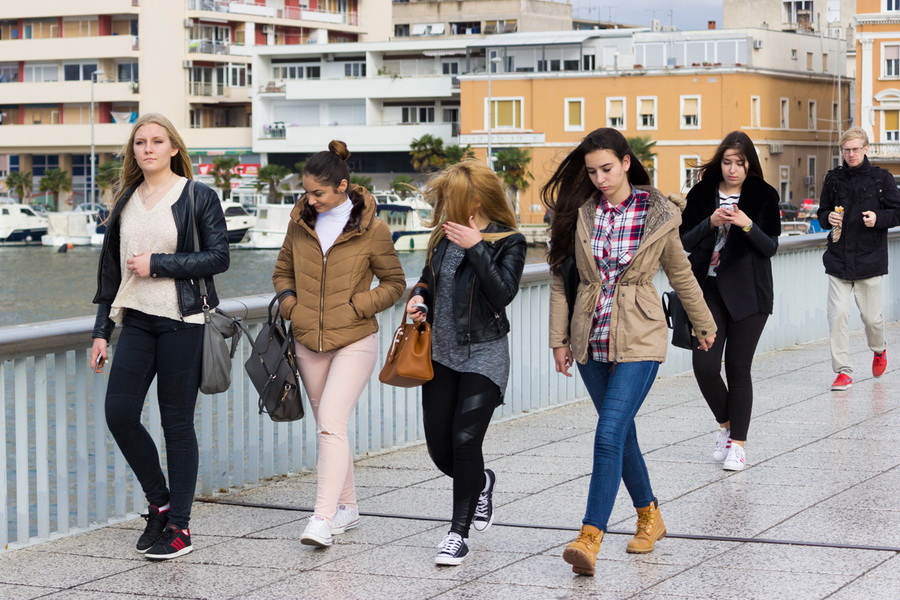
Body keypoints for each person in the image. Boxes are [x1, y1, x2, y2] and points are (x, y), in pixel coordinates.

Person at [543, 128, 716, 577]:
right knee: (622, 435)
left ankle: (589, 537)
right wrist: (559, 340)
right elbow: (564, 282)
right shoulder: (579, 213)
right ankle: (649, 516)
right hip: (590, 337)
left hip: (640, 335)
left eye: (607, 168)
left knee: (607, 434)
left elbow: (681, 274)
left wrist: (703, 322)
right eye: (592, 171)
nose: (599, 178)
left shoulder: (656, 213)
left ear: (625, 162)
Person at [90, 113, 229, 560]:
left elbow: (218, 257)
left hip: (181, 321)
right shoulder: (125, 199)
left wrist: (160, 264)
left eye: (156, 141)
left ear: (173, 148)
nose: (147, 148)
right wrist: (101, 333)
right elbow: (111, 272)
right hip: (136, 320)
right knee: (120, 413)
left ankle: (181, 528)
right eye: (139, 142)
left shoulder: (197, 195)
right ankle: (161, 502)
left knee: (176, 424)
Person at [272, 140, 405, 548]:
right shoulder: (299, 225)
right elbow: (281, 273)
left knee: (331, 422)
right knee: (330, 428)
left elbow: (395, 283)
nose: (310, 200)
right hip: (308, 338)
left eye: (318, 193)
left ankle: (321, 519)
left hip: (354, 338)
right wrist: (293, 307)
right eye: (307, 192)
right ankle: (348, 506)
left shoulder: (373, 230)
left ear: (343, 186)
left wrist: (359, 305)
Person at [406, 160, 526, 566]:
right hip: (440, 355)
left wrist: (477, 246)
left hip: (485, 353)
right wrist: (420, 297)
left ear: (476, 199)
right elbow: (429, 277)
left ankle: (457, 534)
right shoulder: (443, 237)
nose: (445, 206)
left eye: (452, 198)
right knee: (441, 449)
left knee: (464, 441)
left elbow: (503, 293)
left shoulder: (510, 241)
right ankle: (482, 482)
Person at [680, 131, 781, 472]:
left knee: (739, 368)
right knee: (704, 366)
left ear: (749, 163)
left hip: (750, 292)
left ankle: (738, 445)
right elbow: (684, 241)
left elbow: (770, 247)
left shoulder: (764, 195)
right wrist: (710, 221)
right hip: (706, 292)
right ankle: (726, 427)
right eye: (727, 162)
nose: (733, 169)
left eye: (739, 163)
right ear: (719, 162)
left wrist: (746, 224)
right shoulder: (701, 194)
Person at [817, 127, 900, 391]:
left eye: (855, 149)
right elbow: (821, 213)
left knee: (871, 318)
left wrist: (879, 219)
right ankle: (843, 371)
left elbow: (897, 212)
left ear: (865, 149)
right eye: (846, 150)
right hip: (838, 258)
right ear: (841, 151)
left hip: (870, 259)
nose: (851, 154)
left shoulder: (881, 179)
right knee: (838, 314)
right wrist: (827, 218)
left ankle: (879, 349)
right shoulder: (833, 179)